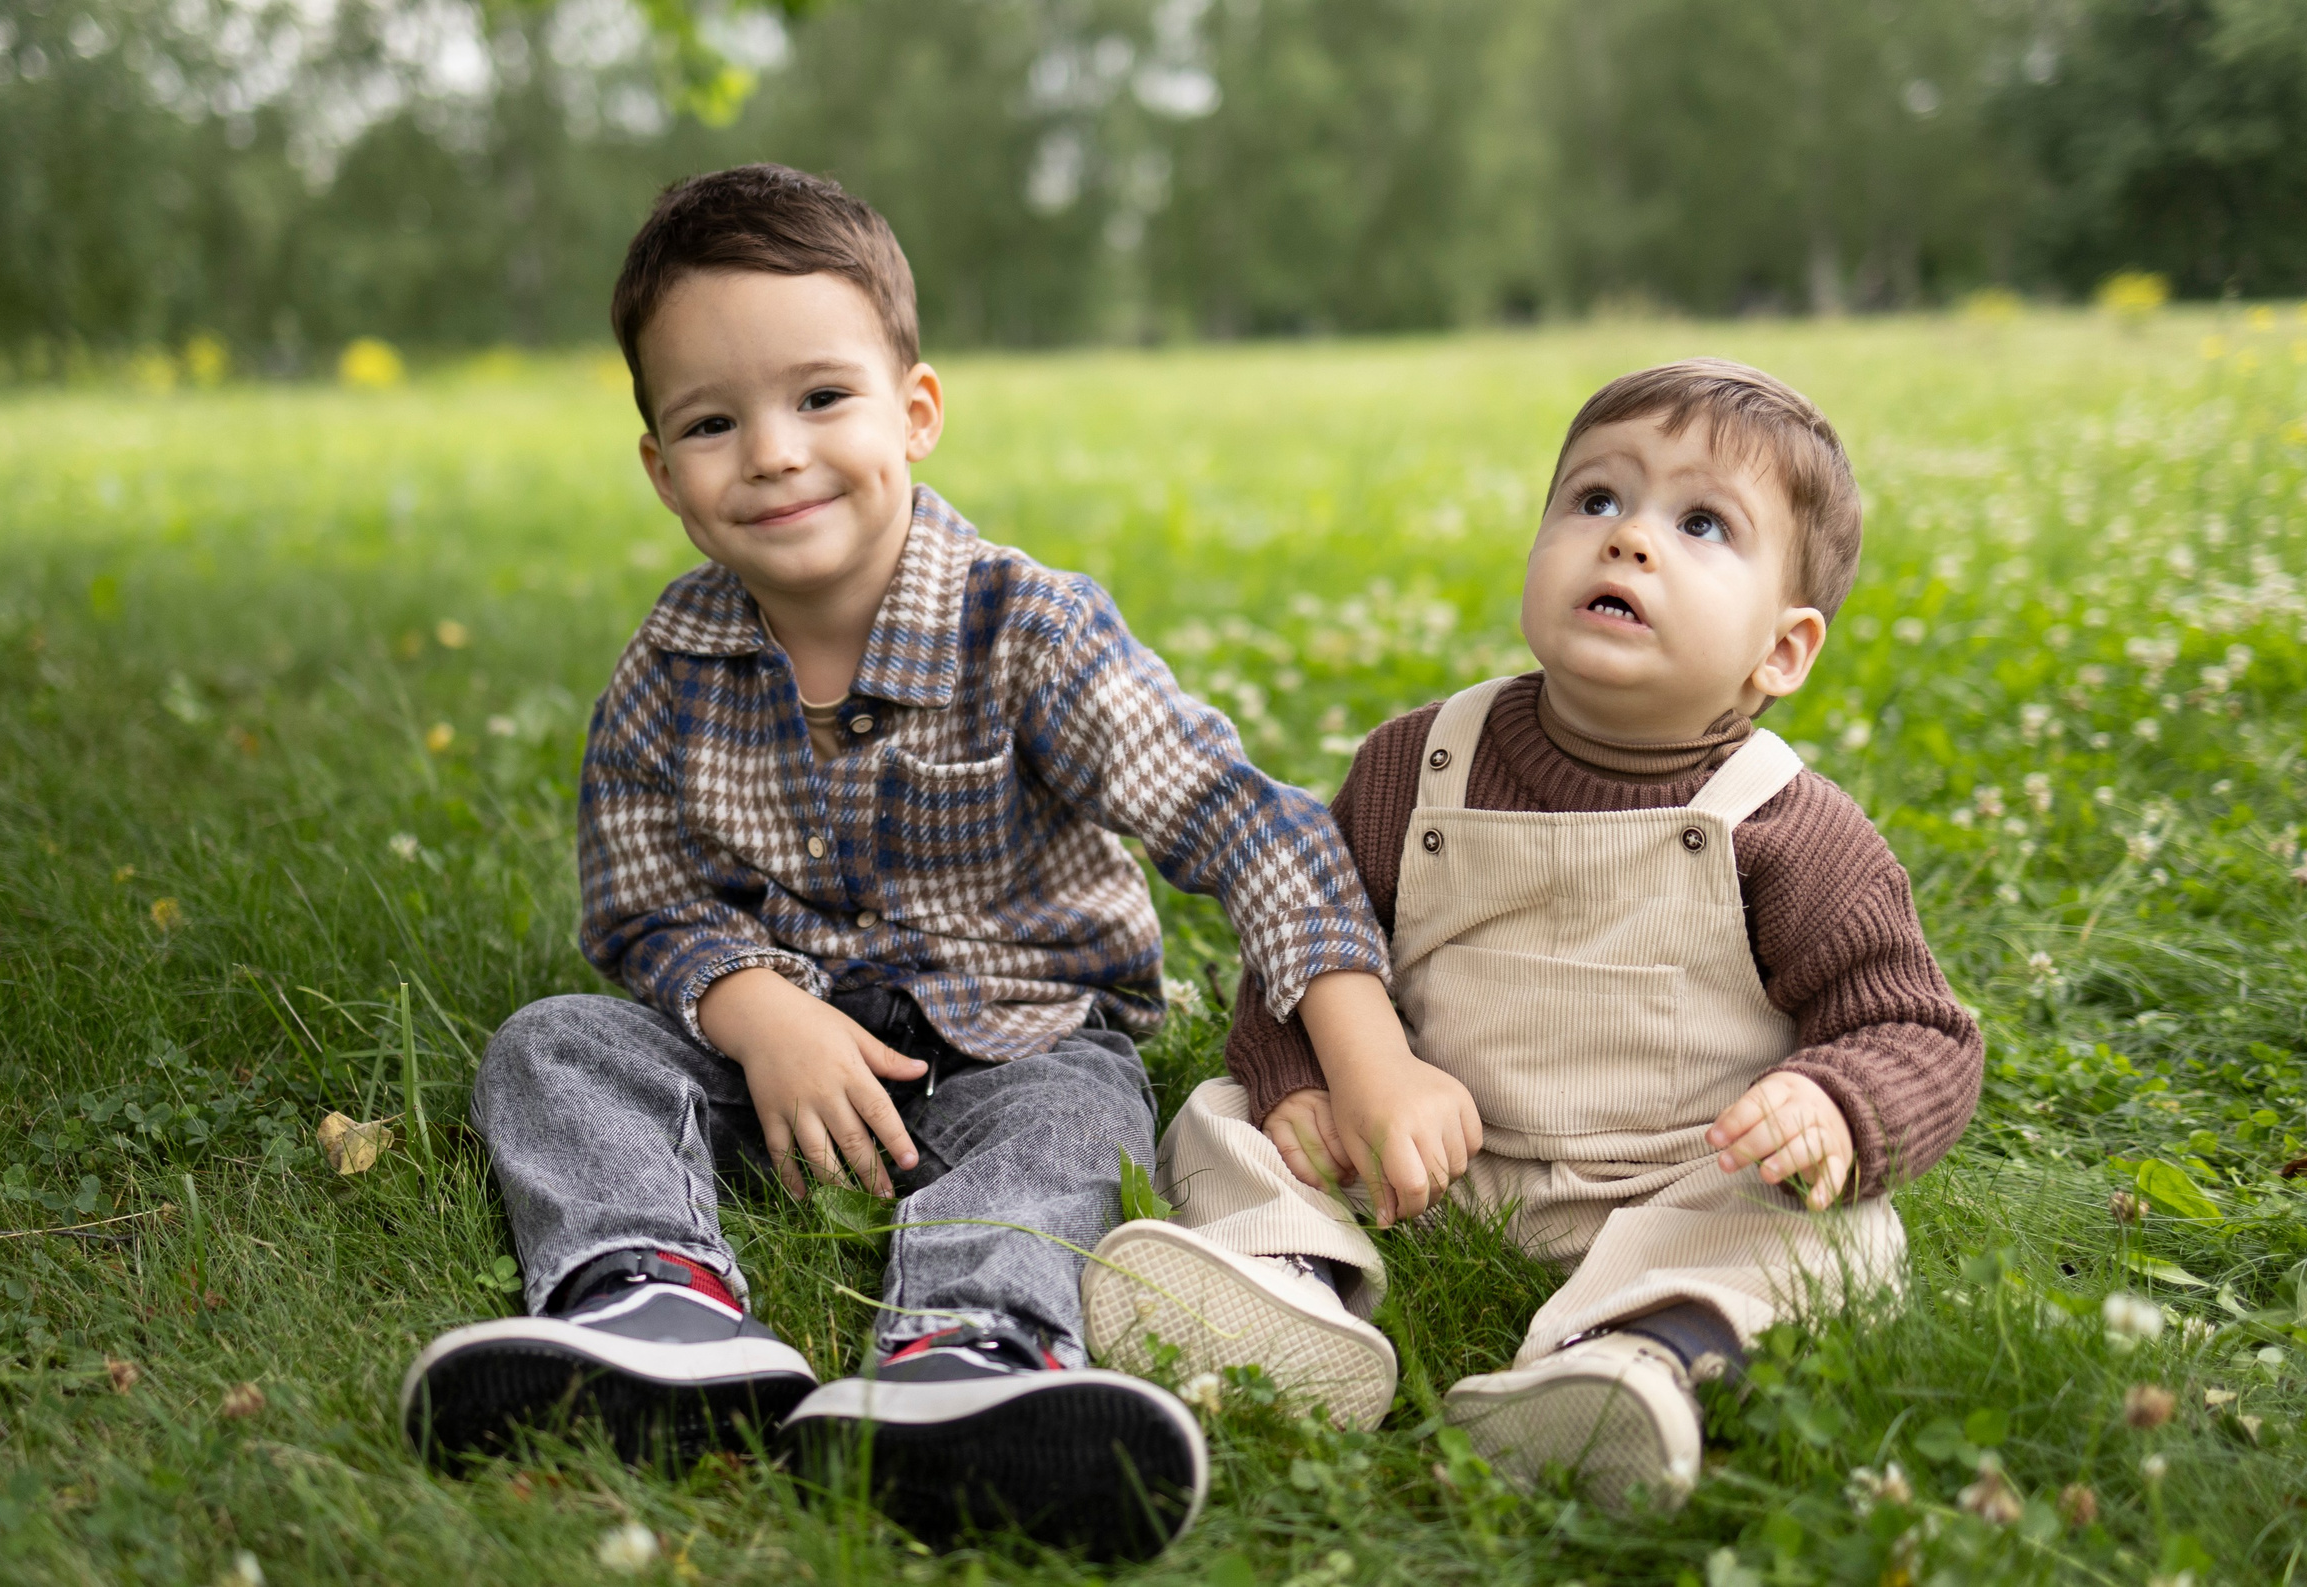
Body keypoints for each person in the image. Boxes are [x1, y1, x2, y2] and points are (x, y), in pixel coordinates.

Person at [397, 164, 1399, 1563]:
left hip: (1018, 1044)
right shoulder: (668, 670)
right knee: (553, 1046)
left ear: (915, 411)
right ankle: (650, 1307)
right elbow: (639, 904)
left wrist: (1368, 1050)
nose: (772, 450)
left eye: (821, 397)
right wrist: (758, 1014)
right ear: (663, 472)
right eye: (711, 420)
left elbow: (1242, 817)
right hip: (775, 1067)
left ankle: (972, 1355)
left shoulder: (1026, 629)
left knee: (1073, 1125)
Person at [1084, 359, 1984, 1510]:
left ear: (1782, 651)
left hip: (1677, 1185)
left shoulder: (1791, 829)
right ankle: (1288, 1283)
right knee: (1225, 1120)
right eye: (1594, 500)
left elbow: (1912, 1025)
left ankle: (1631, 1357)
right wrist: (1297, 1081)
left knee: (1841, 1238)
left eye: (1701, 523)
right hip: (1418, 1161)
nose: (1627, 541)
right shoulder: (1415, 762)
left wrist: (1837, 1106)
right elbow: (1309, 942)